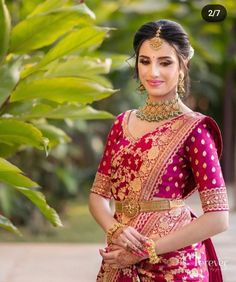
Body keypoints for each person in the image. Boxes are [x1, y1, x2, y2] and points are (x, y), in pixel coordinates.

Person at [89, 19, 229, 282]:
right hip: (120, 258)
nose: (153, 72)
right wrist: (115, 229)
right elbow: (97, 197)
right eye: (145, 61)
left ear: (182, 66)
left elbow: (218, 217)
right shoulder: (122, 123)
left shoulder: (194, 129)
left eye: (165, 62)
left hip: (175, 265)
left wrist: (145, 250)